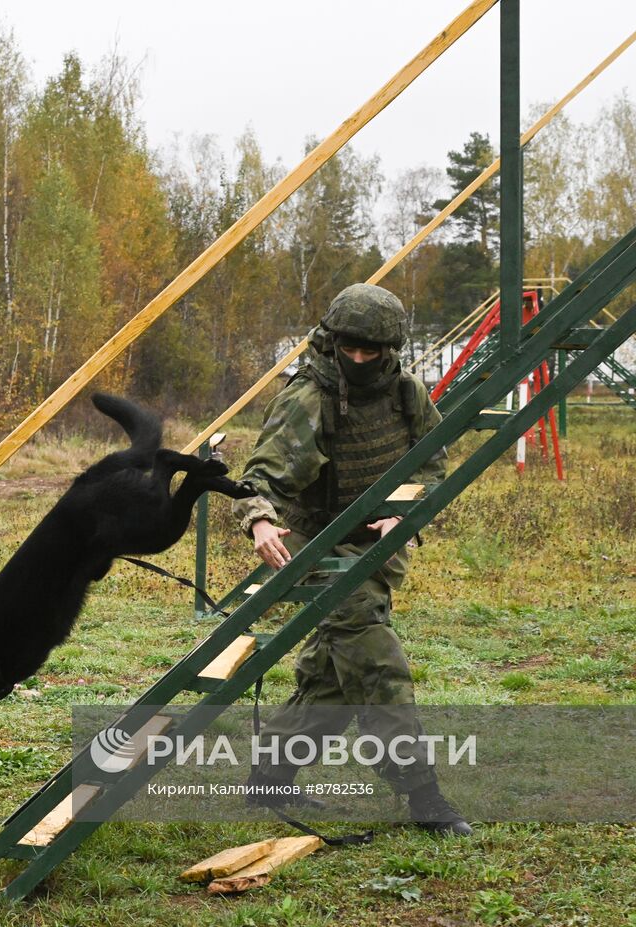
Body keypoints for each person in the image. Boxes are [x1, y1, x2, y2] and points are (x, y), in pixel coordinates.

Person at [230, 282, 471, 836]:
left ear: (391, 349)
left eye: (372, 351)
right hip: (316, 551)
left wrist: (406, 510)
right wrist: (260, 520)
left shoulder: (407, 394)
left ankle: (269, 778)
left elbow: (431, 464)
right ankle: (424, 796)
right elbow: (262, 474)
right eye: (350, 349)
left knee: (331, 680)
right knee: (377, 664)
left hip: (375, 553)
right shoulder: (308, 397)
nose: (359, 360)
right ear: (332, 341)